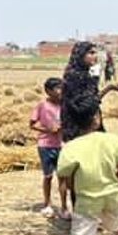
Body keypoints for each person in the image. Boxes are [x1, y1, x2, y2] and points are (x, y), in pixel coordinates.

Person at [56, 96, 118, 235]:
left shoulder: (71, 148)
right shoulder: (113, 141)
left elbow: (65, 179)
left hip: (86, 201)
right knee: (117, 224)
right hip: (112, 195)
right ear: (97, 118)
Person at [61, 41, 118, 142]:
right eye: (91, 53)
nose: (95, 56)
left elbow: (91, 99)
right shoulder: (77, 76)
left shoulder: (82, 74)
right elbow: (82, 106)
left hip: (85, 129)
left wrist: (108, 88)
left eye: (95, 53)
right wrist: (93, 121)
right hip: (82, 131)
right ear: (80, 55)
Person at [30, 77, 69, 219]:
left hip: (62, 145)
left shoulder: (65, 106)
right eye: (57, 89)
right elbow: (33, 124)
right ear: (48, 91)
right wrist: (48, 130)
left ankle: (64, 207)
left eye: (61, 88)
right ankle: (47, 204)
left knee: (63, 177)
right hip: (45, 145)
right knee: (48, 176)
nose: (60, 91)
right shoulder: (42, 105)